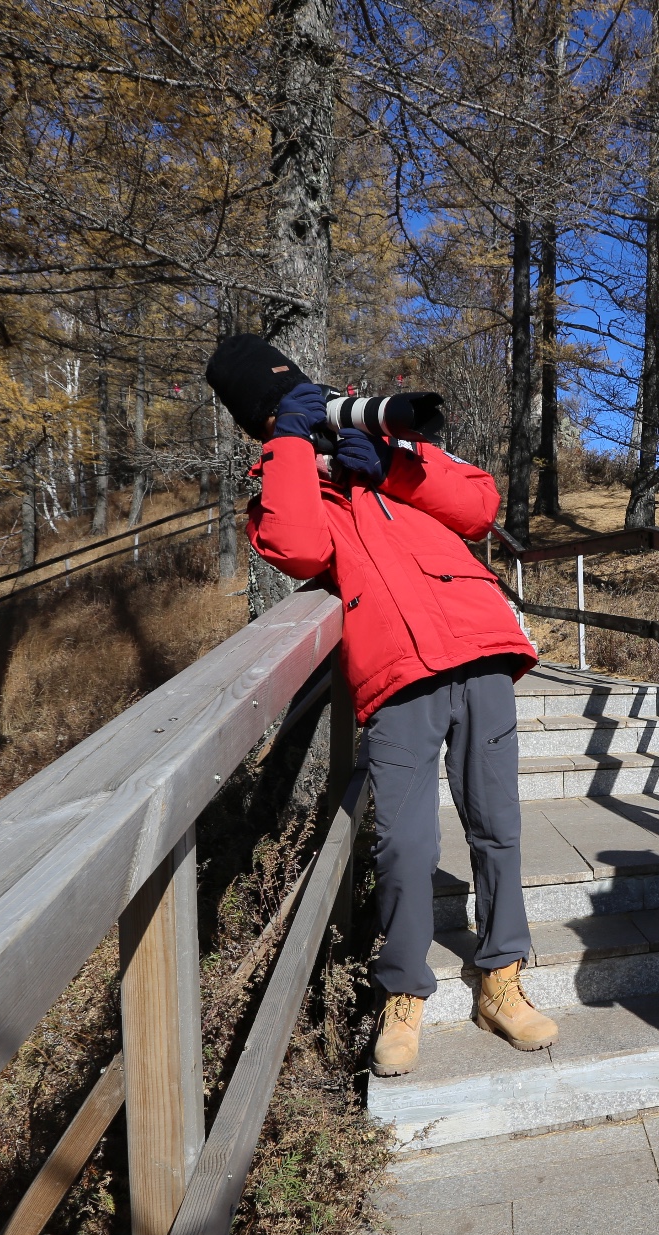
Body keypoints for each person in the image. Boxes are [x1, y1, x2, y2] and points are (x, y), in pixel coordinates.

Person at [209, 335, 559, 1078]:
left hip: (480, 645)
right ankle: (405, 990)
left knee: (498, 825)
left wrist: (398, 463)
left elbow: (479, 502)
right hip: (396, 672)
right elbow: (299, 547)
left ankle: (501, 975)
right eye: (283, 405)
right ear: (262, 421)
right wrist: (292, 443)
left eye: (302, 394)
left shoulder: (387, 454)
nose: (313, 410)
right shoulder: (281, 482)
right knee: (404, 843)